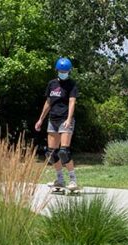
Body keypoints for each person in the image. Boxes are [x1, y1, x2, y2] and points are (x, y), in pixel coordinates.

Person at [34, 57, 80, 191]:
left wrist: (69, 119)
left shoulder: (72, 84)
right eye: (61, 70)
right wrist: (41, 119)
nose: (63, 72)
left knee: (64, 152)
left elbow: (72, 102)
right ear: (57, 70)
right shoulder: (52, 84)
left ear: (69, 71)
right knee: (51, 153)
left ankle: (73, 180)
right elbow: (48, 102)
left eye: (65, 71)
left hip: (65, 119)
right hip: (52, 119)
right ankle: (60, 180)